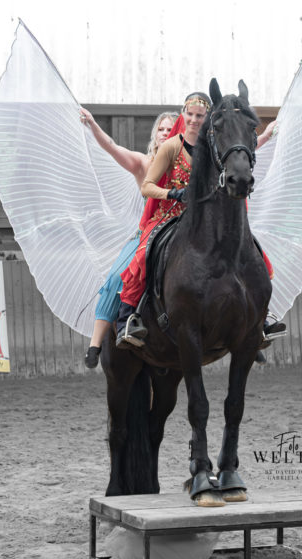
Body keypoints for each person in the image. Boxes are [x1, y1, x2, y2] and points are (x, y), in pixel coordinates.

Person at [116, 92, 279, 348]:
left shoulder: (213, 146)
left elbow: (241, 147)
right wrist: (173, 193)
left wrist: (266, 134)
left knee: (253, 252)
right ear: (184, 114)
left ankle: (258, 318)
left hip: (206, 219)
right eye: (190, 114)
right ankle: (129, 318)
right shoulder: (171, 146)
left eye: (200, 116)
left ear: (207, 119)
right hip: (171, 214)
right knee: (143, 256)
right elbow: (147, 187)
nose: (194, 120)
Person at [80, 108, 178, 368]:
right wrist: (91, 123)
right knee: (116, 276)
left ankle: (250, 327)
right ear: (155, 134)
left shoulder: (187, 164)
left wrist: (265, 138)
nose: (166, 133)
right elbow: (111, 147)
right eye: (161, 129)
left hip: (182, 230)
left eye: (170, 129)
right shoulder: (143, 163)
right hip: (149, 231)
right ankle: (95, 344)